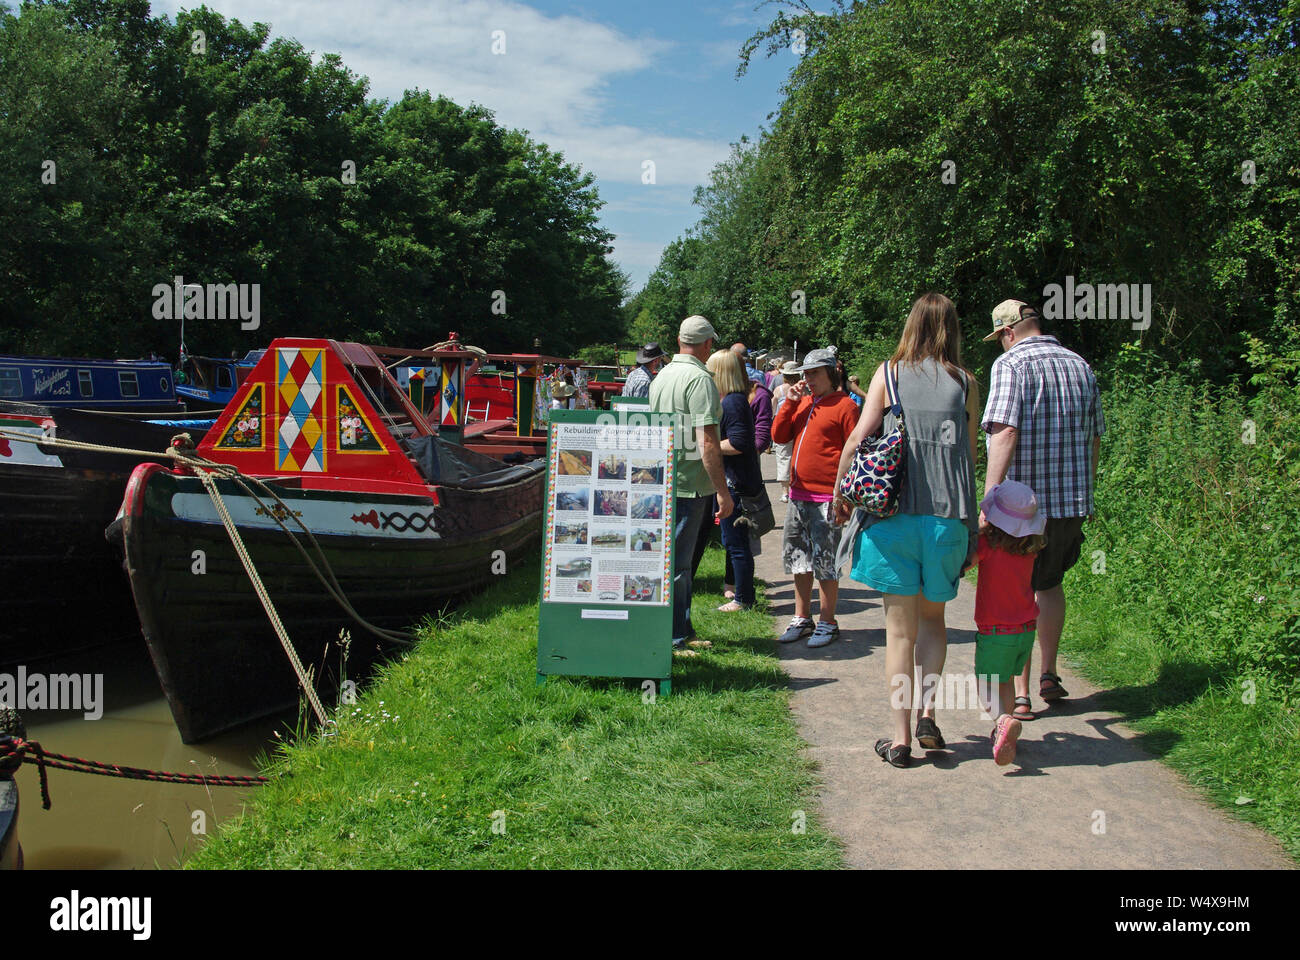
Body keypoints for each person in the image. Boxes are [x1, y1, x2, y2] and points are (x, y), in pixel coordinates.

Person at [833, 292, 981, 768]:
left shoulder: (889, 373)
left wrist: (840, 492)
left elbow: (858, 438)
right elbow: (970, 460)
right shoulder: (966, 382)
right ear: (952, 329)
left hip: (893, 519)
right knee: (934, 623)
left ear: (911, 326)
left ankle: (899, 740)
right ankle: (929, 714)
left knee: (898, 635)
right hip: (946, 519)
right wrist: (974, 532)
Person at [981, 299, 1104, 719]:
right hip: (1070, 503)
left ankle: (1020, 695)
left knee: (1017, 594)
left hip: (1020, 510)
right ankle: (1049, 673)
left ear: (1007, 332)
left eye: (999, 338)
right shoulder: (1079, 365)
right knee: (1049, 585)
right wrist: (1085, 493)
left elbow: (1005, 430)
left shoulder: (1011, 364)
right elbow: (1094, 438)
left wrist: (989, 498)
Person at [649, 316, 734, 650]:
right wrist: (724, 493)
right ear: (708, 344)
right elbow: (708, 441)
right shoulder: (699, 380)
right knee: (679, 566)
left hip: (662, 477)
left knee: (667, 562)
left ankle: (673, 630)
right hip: (689, 484)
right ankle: (676, 636)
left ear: (679, 339)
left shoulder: (662, 375)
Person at [772, 348, 860, 649]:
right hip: (798, 495)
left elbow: (856, 453)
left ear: (831, 373)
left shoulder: (846, 406)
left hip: (827, 498)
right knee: (799, 559)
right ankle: (802, 616)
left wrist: (845, 498)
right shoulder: (803, 401)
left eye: (814, 374)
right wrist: (789, 403)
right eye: (805, 374)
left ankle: (828, 621)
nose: (808, 380)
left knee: (825, 561)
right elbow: (779, 435)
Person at [974, 480, 1047, 765]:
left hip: (995, 631)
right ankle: (1004, 733)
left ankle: (1002, 719)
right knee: (1004, 680)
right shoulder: (1030, 548)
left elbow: (963, 563)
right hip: (1026, 631)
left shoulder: (987, 545)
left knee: (985, 683)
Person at [706, 350, 762, 612]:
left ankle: (744, 598)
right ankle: (742, 593)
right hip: (738, 481)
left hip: (736, 484)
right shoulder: (734, 400)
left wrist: (707, 445)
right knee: (735, 543)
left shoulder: (732, 402)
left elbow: (739, 442)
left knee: (737, 544)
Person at [772, 361, 799, 502]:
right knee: (797, 456)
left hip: (782, 425)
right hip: (799, 425)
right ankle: (795, 488)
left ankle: (784, 491)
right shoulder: (803, 390)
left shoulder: (779, 390)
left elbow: (773, 408)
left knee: (783, 457)